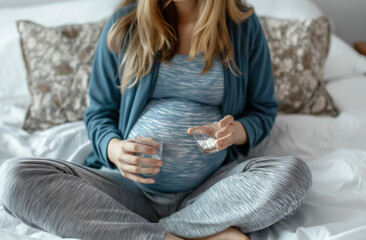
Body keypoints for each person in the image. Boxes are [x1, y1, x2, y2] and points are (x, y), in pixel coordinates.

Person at [0, 0, 312, 239]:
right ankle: (184, 234)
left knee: (294, 174)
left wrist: (238, 131)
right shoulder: (126, 23)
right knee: (15, 178)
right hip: (127, 191)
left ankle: (145, 231)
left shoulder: (242, 25)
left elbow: (263, 108)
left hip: (212, 190)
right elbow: (99, 112)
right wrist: (114, 150)